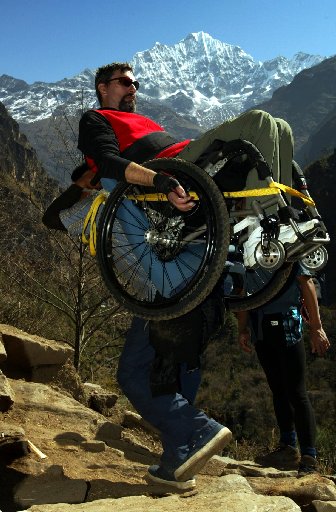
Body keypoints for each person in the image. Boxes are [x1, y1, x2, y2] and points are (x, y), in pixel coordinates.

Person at [236, 264, 330, 477]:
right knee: (278, 390)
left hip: (286, 323)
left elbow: (306, 283)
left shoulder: (285, 246)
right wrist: (243, 328)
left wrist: (316, 327)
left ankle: (309, 457)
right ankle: (288, 449)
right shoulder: (246, 250)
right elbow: (242, 292)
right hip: (260, 327)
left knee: (296, 392)